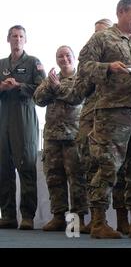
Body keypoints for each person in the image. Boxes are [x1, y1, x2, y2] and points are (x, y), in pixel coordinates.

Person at [77, 0, 131, 239]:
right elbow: (83, 67)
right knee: (106, 167)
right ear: (121, 12)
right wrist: (107, 68)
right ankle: (99, 222)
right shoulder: (102, 38)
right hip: (111, 114)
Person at [53, 18, 130, 235]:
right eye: (95, 34)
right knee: (92, 168)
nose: (98, 38)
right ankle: (98, 220)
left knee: (119, 170)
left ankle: (123, 219)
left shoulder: (123, 62)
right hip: (90, 121)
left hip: (117, 121)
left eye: (103, 34)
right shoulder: (90, 66)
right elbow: (76, 94)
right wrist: (58, 88)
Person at [33, 45, 89, 233]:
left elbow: (77, 98)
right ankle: (58, 217)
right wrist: (50, 85)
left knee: (76, 179)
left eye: (67, 55)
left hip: (73, 136)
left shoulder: (80, 78)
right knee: (54, 178)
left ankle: (77, 220)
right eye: (60, 56)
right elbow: (38, 99)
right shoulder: (51, 78)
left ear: (74, 58)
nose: (64, 59)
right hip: (52, 137)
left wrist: (58, 87)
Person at [0, 25, 46, 230]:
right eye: (13, 36)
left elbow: (42, 90)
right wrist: (2, 87)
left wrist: (19, 86)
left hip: (24, 117)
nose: (17, 39)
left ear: (25, 40)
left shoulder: (33, 62)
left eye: (20, 36)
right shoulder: (1, 64)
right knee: (3, 168)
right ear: (8, 39)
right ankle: (8, 215)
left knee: (26, 165)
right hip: (3, 117)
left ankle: (27, 215)